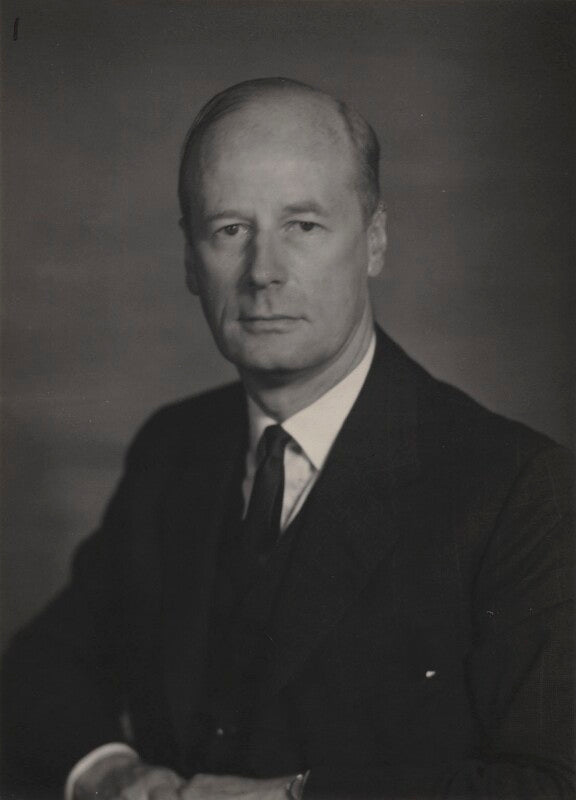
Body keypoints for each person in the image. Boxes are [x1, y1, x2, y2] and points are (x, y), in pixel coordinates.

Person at [2, 77, 574, 800]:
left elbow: (551, 784)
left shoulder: (519, 489)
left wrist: (291, 797)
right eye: (229, 230)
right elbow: (43, 669)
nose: (263, 273)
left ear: (374, 241)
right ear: (189, 261)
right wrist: (111, 772)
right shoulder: (174, 449)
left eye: (302, 226)